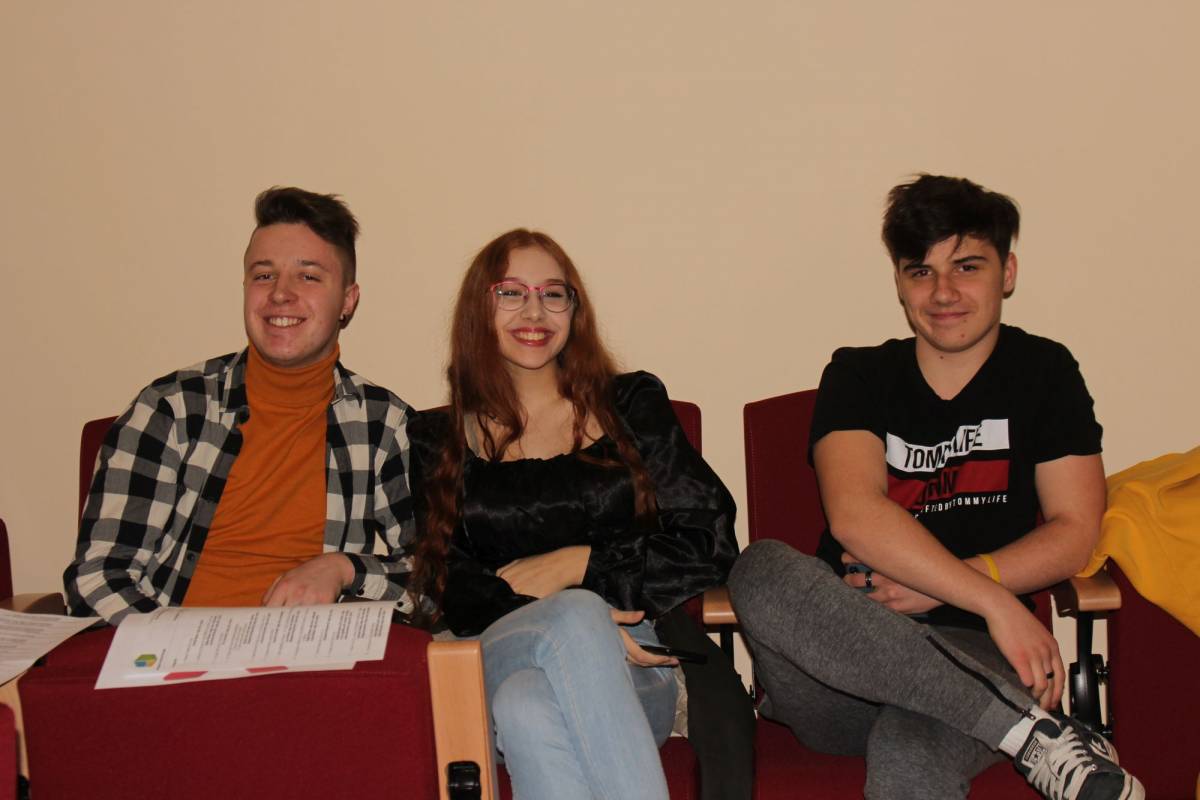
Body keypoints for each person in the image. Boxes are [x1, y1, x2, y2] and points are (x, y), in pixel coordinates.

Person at [729, 175, 1144, 799]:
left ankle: (1016, 727)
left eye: (967, 267)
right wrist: (994, 600)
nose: (943, 292)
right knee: (757, 569)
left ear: (1007, 272)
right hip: (838, 662)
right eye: (920, 272)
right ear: (899, 283)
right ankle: (1035, 734)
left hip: (979, 649)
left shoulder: (1044, 372)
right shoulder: (859, 374)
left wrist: (961, 592)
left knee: (909, 753)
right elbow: (854, 515)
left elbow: (1075, 530)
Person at [408, 229, 747, 800]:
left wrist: (581, 564)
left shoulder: (630, 405)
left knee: (527, 705)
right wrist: (573, 619)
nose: (534, 311)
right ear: (478, 310)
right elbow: (447, 580)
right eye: (510, 293)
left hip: (634, 660)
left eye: (553, 293)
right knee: (575, 619)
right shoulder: (434, 437)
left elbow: (709, 539)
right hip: (495, 644)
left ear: (574, 309)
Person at [65, 187, 416, 624]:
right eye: (264, 275)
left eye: (308, 277)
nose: (281, 294)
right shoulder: (170, 410)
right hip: (167, 649)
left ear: (347, 300)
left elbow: (436, 581)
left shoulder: (385, 425)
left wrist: (343, 569)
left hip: (308, 653)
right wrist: (177, 646)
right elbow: (96, 578)